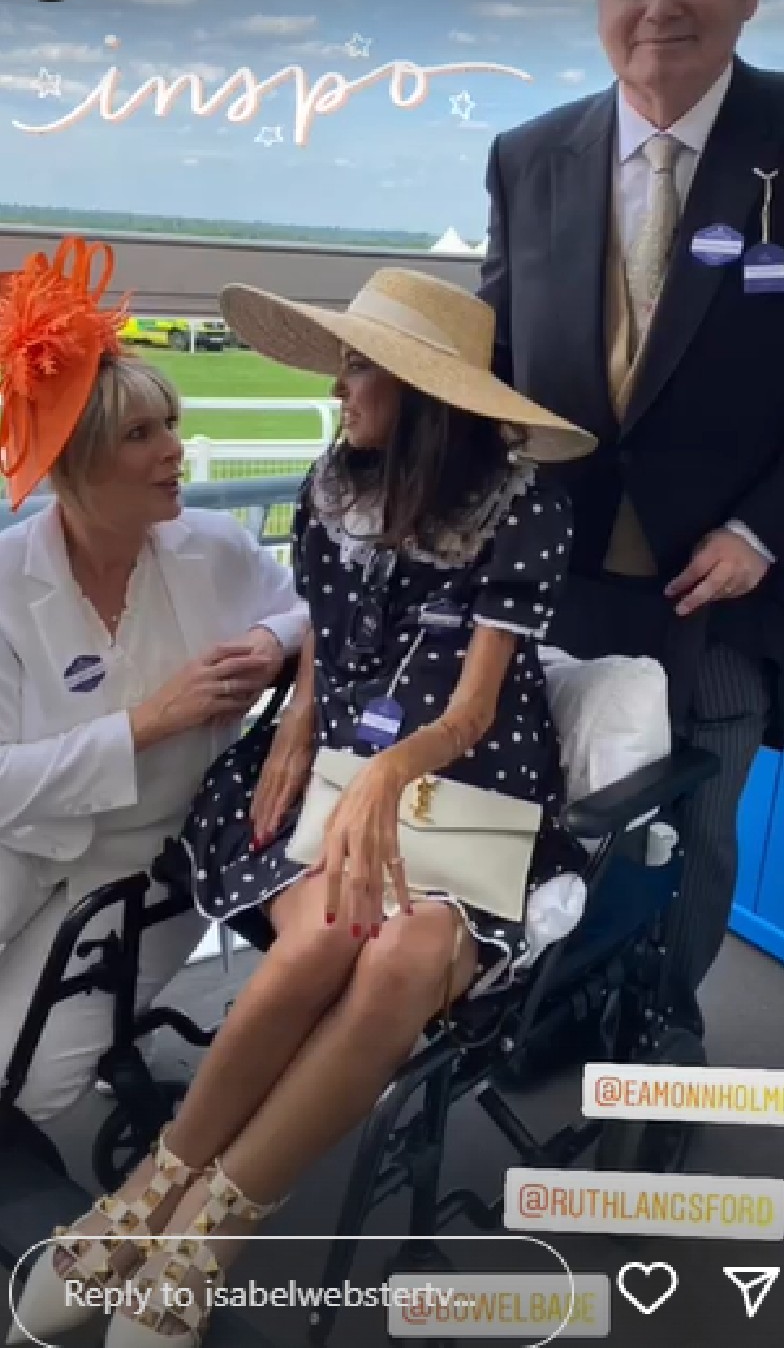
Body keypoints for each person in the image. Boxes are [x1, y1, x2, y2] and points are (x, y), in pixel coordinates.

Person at [10, 268, 595, 1347]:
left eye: (359, 366)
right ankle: (148, 1195)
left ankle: (203, 1238)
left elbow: (470, 708)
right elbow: (317, 623)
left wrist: (384, 774)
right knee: (332, 929)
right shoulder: (337, 479)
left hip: (474, 781)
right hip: (339, 768)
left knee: (403, 957)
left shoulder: (528, 507)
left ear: (424, 393)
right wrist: (297, 720)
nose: (339, 387)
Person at [479, 0, 784, 1035]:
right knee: (543, 815)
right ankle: (543, 1015)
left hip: (720, 590)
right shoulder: (525, 156)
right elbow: (491, 368)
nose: (659, 4)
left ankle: (658, 1029)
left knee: (690, 840)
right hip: (552, 581)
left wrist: (765, 530)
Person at [0, 236, 309, 1126]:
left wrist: (269, 638)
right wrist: (147, 724)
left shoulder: (212, 552)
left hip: (152, 862)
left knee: (30, 1086)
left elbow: (311, 610)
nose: (177, 449)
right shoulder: (9, 585)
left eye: (170, 423)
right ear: (69, 463)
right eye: (142, 434)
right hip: (22, 844)